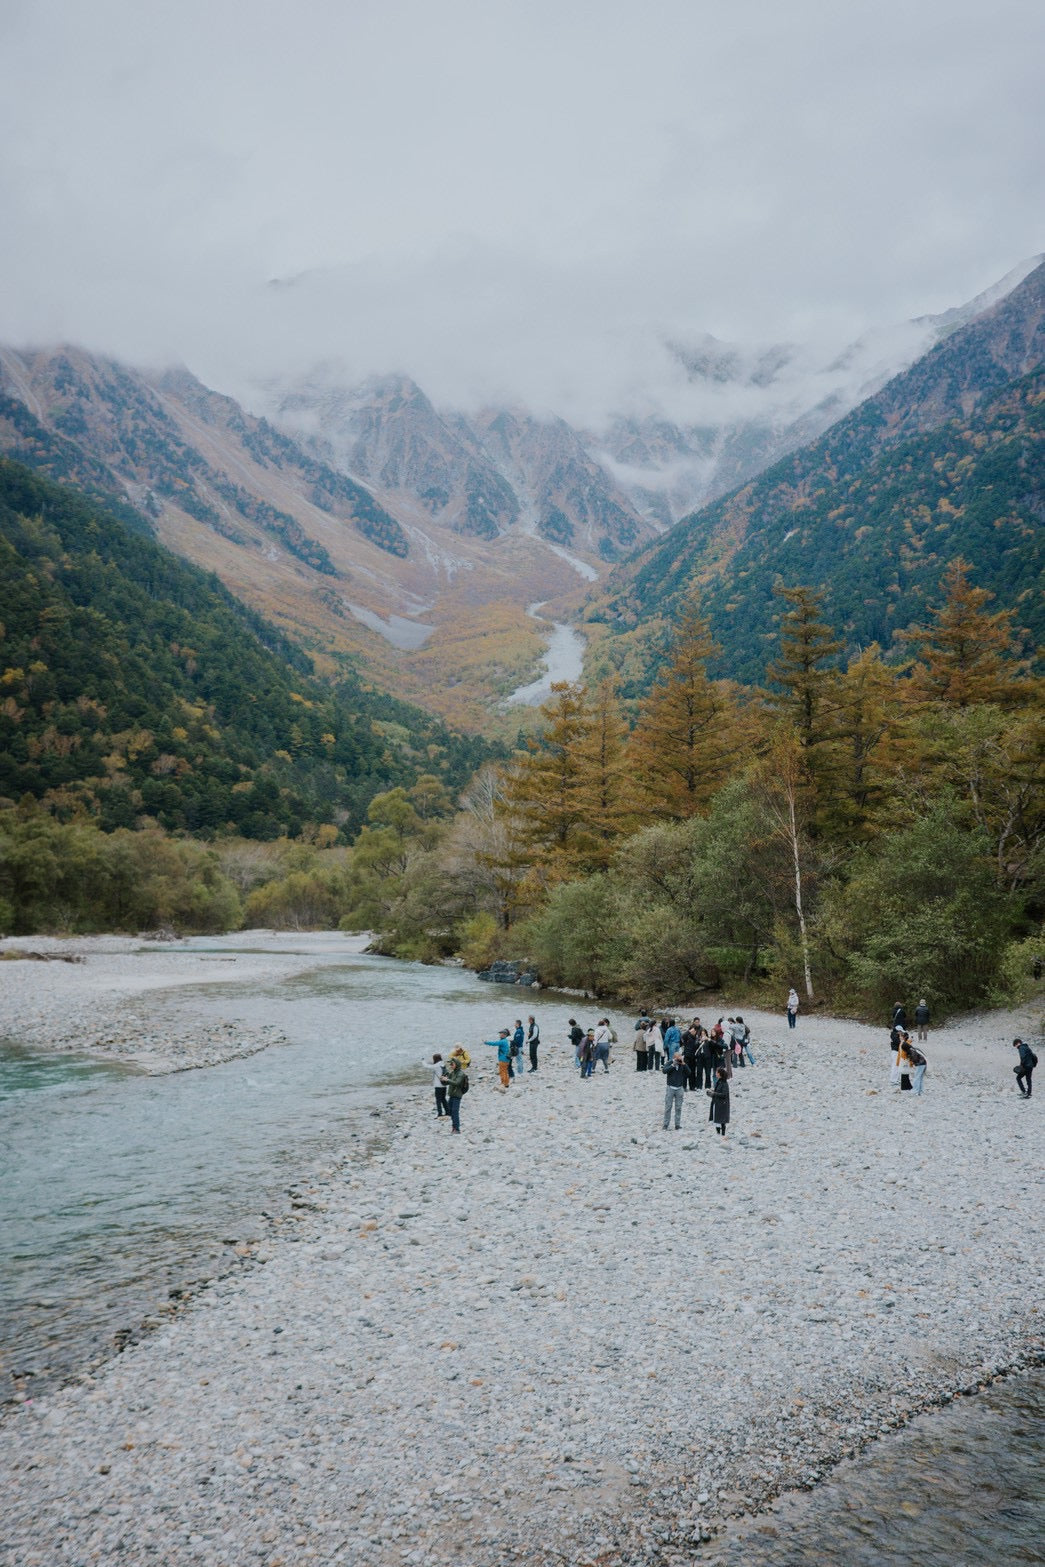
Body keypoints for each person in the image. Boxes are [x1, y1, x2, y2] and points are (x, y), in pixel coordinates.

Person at [442, 1046, 469, 1133]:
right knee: (449, 1111)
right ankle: (454, 1127)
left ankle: (456, 1129)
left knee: (455, 1112)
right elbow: (446, 1083)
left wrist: (448, 1080)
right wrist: (442, 1079)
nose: (450, 1065)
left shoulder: (461, 1074)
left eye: (452, 1064)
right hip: (451, 1095)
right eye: (450, 1064)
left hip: (457, 1095)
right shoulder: (452, 1073)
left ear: (456, 1064)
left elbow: (457, 1083)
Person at [663, 1049, 687, 1130]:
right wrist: (673, 1065)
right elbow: (664, 1071)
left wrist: (683, 1064)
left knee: (678, 1107)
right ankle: (665, 1124)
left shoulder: (682, 1064)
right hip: (670, 1088)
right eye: (677, 1058)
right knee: (668, 1107)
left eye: (679, 1057)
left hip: (679, 1088)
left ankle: (677, 1124)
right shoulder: (670, 1062)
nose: (678, 1059)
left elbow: (689, 1072)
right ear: (674, 1058)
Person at [708, 1066, 730, 1137]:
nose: (716, 1074)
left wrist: (714, 1093)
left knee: (722, 1120)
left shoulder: (724, 1083)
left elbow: (724, 1094)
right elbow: (717, 1092)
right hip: (717, 1103)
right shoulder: (719, 1082)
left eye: (717, 1072)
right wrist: (711, 1093)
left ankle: (723, 1134)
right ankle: (718, 1134)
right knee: (716, 1119)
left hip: (722, 1105)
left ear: (720, 1074)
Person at [426, 1052, 449, 1118]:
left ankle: (440, 1113)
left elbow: (427, 1066)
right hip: (444, 1084)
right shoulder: (443, 1064)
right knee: (443, 1099)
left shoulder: (436, 1066)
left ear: (435, 1059)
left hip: (438, 1086)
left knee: (438, 1100)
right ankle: (448, 1111)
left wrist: (423, 1061)